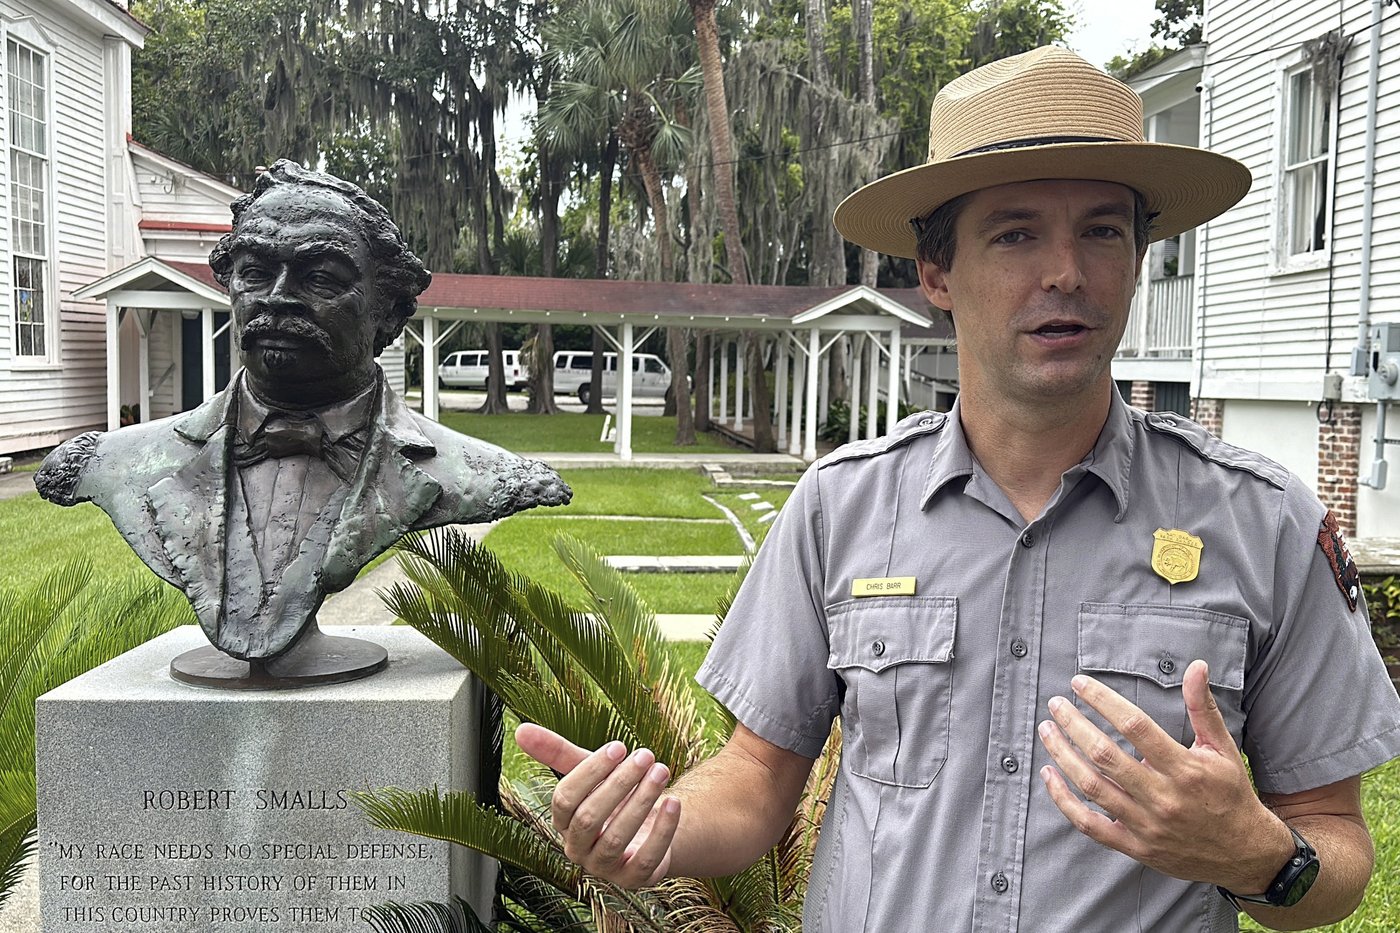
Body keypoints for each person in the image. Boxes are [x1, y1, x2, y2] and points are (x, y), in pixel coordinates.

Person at [516, 47, 1400, 931]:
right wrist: (654, 829)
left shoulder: (1265, 521)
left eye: (1103, 230)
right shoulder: (841, 506)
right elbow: (754, 781)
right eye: (1015, 233)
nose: (1067, 272)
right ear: (936, 274)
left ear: (1137, 259)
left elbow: (1336, 840)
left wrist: (1261, 857)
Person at [36, 160, 570, 673]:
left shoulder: (480, 473)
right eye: (255, 273)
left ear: (387, 311)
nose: (277, 297)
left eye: (320, 278)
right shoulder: (112, 462)